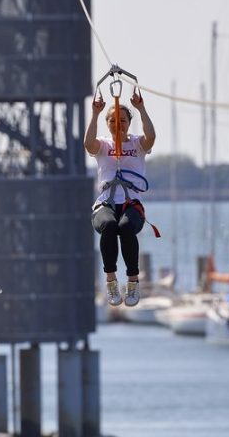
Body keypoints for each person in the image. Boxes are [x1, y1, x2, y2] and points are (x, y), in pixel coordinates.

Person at [84, 91, 156, 307]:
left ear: (128, 123)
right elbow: (88, 144)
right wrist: (95, 114)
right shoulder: (103, 146)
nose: (118, 125)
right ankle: (111, 280)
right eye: (113, 121)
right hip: (105, 204)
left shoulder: (137, 144)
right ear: (107, 124)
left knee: (125, 228)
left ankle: (133, 281)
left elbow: (151, 136)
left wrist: (141, 108)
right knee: (109, 225)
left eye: (123, 121)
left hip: (130, 204)